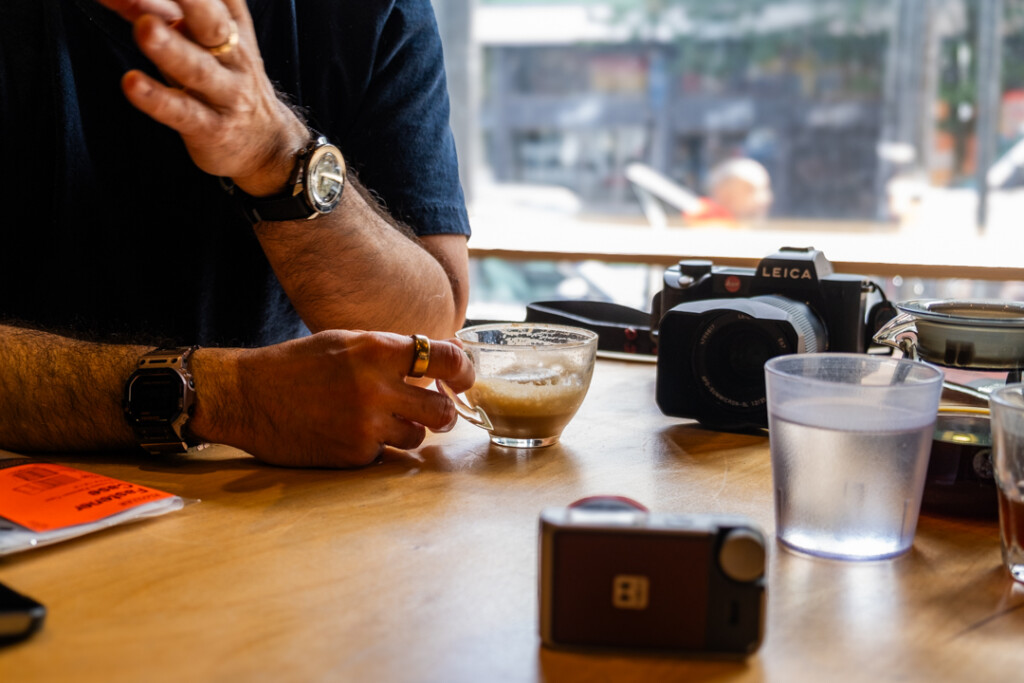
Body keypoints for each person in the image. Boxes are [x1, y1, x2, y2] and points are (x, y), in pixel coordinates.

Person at [0, 0, 475, 467]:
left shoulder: (375, 13)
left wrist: (276, 153)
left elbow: (428, 337)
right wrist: (229, 397)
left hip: (271, 501)